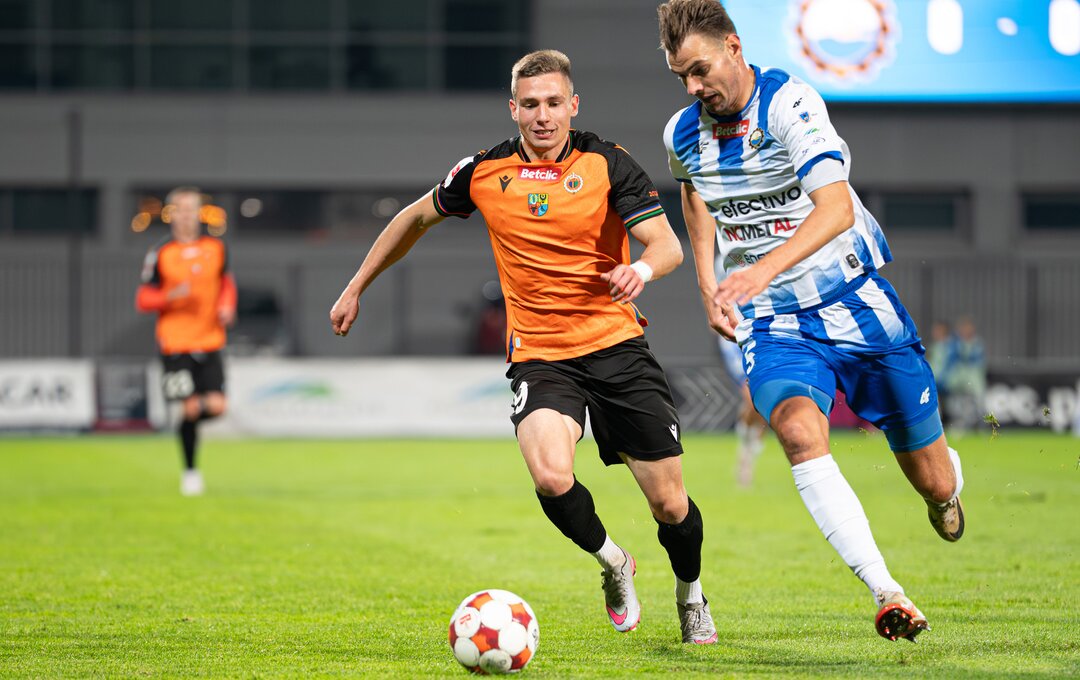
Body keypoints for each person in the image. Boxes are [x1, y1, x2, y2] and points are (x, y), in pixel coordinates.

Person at [330, 50, 718, 644]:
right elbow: (413, 218)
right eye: (531, 104)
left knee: (669, 505)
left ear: (573, 105)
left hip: (616, 347)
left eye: (554, 103)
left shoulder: (608, 163)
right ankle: (614, 561)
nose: (543, 116)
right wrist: (356, 286)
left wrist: (640, 269)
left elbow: (666, 245)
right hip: (540, 354)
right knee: (551, 476)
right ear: (513, 108)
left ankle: (691, 595)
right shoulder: (484, 171)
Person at [657, 0, 965, 642]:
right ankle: (887, 591)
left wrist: (758, 270)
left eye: (700, 70)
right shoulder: (681, 133)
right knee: (799, 433)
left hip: (857, 302)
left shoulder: (790, 104)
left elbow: (836, 209)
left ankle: (945, 488)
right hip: (773, 320)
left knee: (934, 484)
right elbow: (694, 192)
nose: (692, 87)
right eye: (681, 76)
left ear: (734, 47)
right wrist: (709, 283)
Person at [135, 187, 237, 496]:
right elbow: (143, 298)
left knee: (217, 407)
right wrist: (169, 296)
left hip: (210, 340)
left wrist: (227, 306)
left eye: (191, 208)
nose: (186, 215)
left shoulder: (215, 248)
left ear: (198, 213)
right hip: (175, 343)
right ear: (171, 214)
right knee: (190, 408)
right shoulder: (160, 253)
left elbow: (226, 282)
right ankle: (191, 472)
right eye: (180, 209)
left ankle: (184, 427)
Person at [717, 257, 767, 486]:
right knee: (752, 396)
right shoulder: (722, 259)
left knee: (764, 400)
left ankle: (749, 448)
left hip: (761, 327)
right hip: (734, 332)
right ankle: (746, 452)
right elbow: (713, 292)